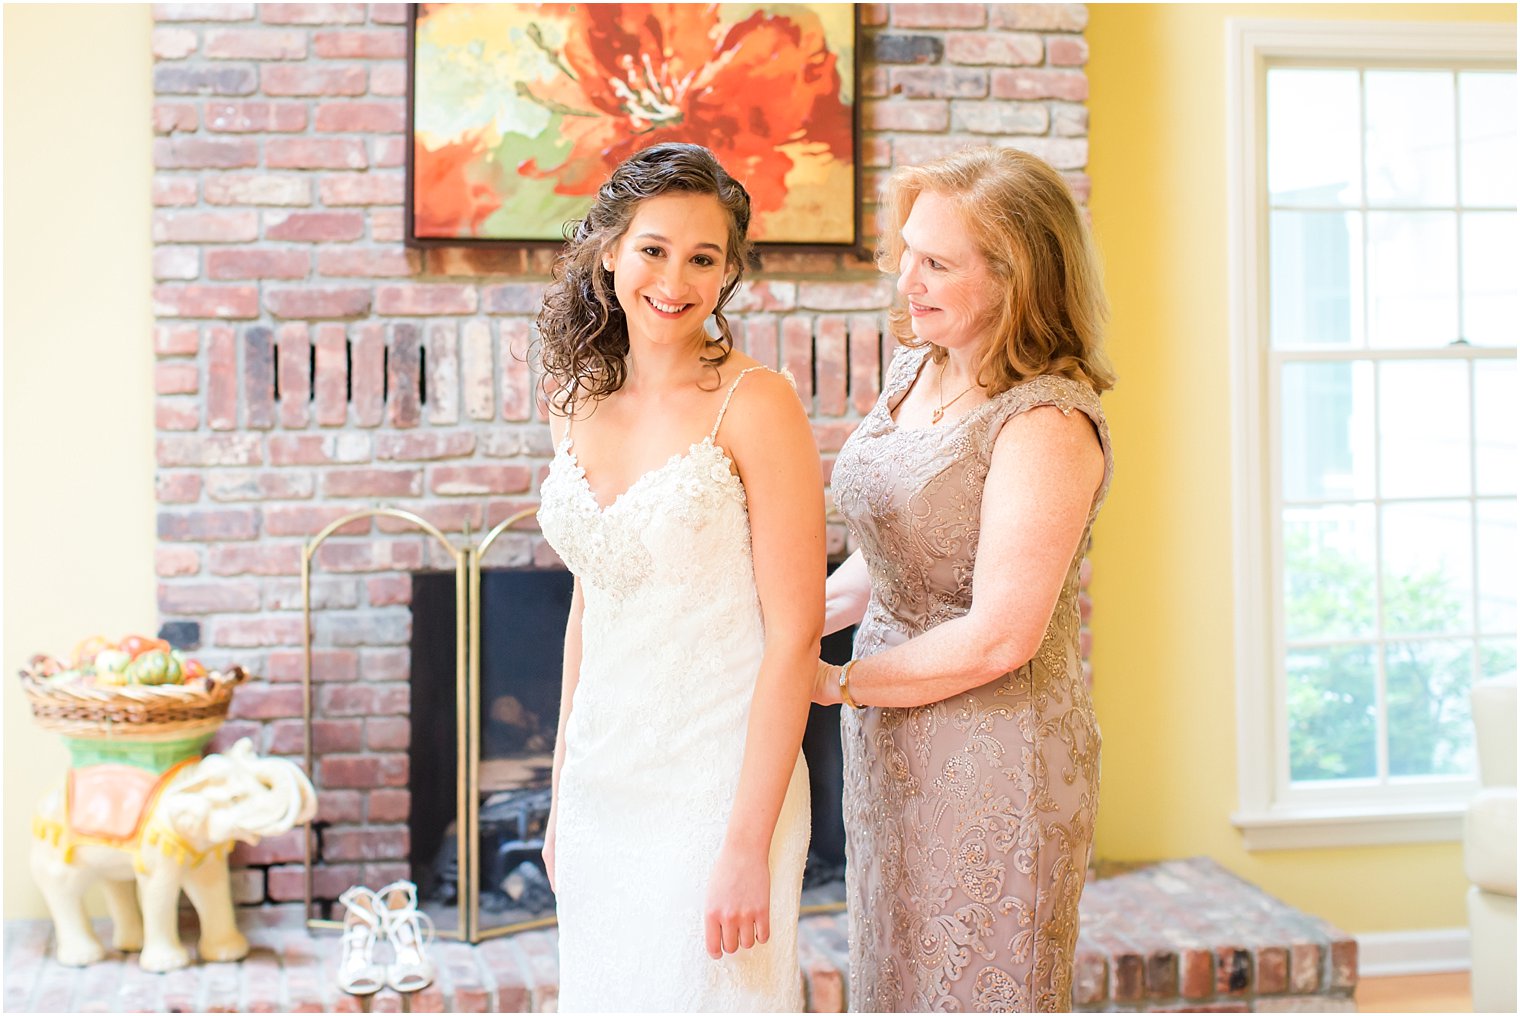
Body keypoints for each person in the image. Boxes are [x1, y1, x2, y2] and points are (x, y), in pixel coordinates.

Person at [816, 146, 1116, 1012]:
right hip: (891, 743)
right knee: (897, 978)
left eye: (937, 263)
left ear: (1016, 277)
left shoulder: (1047, 422)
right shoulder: (923, 366)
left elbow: (1001, 635)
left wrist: (834, 681)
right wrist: (780, 626)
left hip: (994, 755)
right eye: (907, 250)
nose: (905, 278)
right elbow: (893, 549)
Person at [535, 142, 823, 1012]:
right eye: (653, 248)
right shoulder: (574, 399)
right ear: (609, 251)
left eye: (704, 258)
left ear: (729, 272)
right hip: (601, 785)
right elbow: (590, 601)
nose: (675, 277)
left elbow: (796, 636)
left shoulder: (757, 403)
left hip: (717, 788)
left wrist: (747, 842)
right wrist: (559, 793)